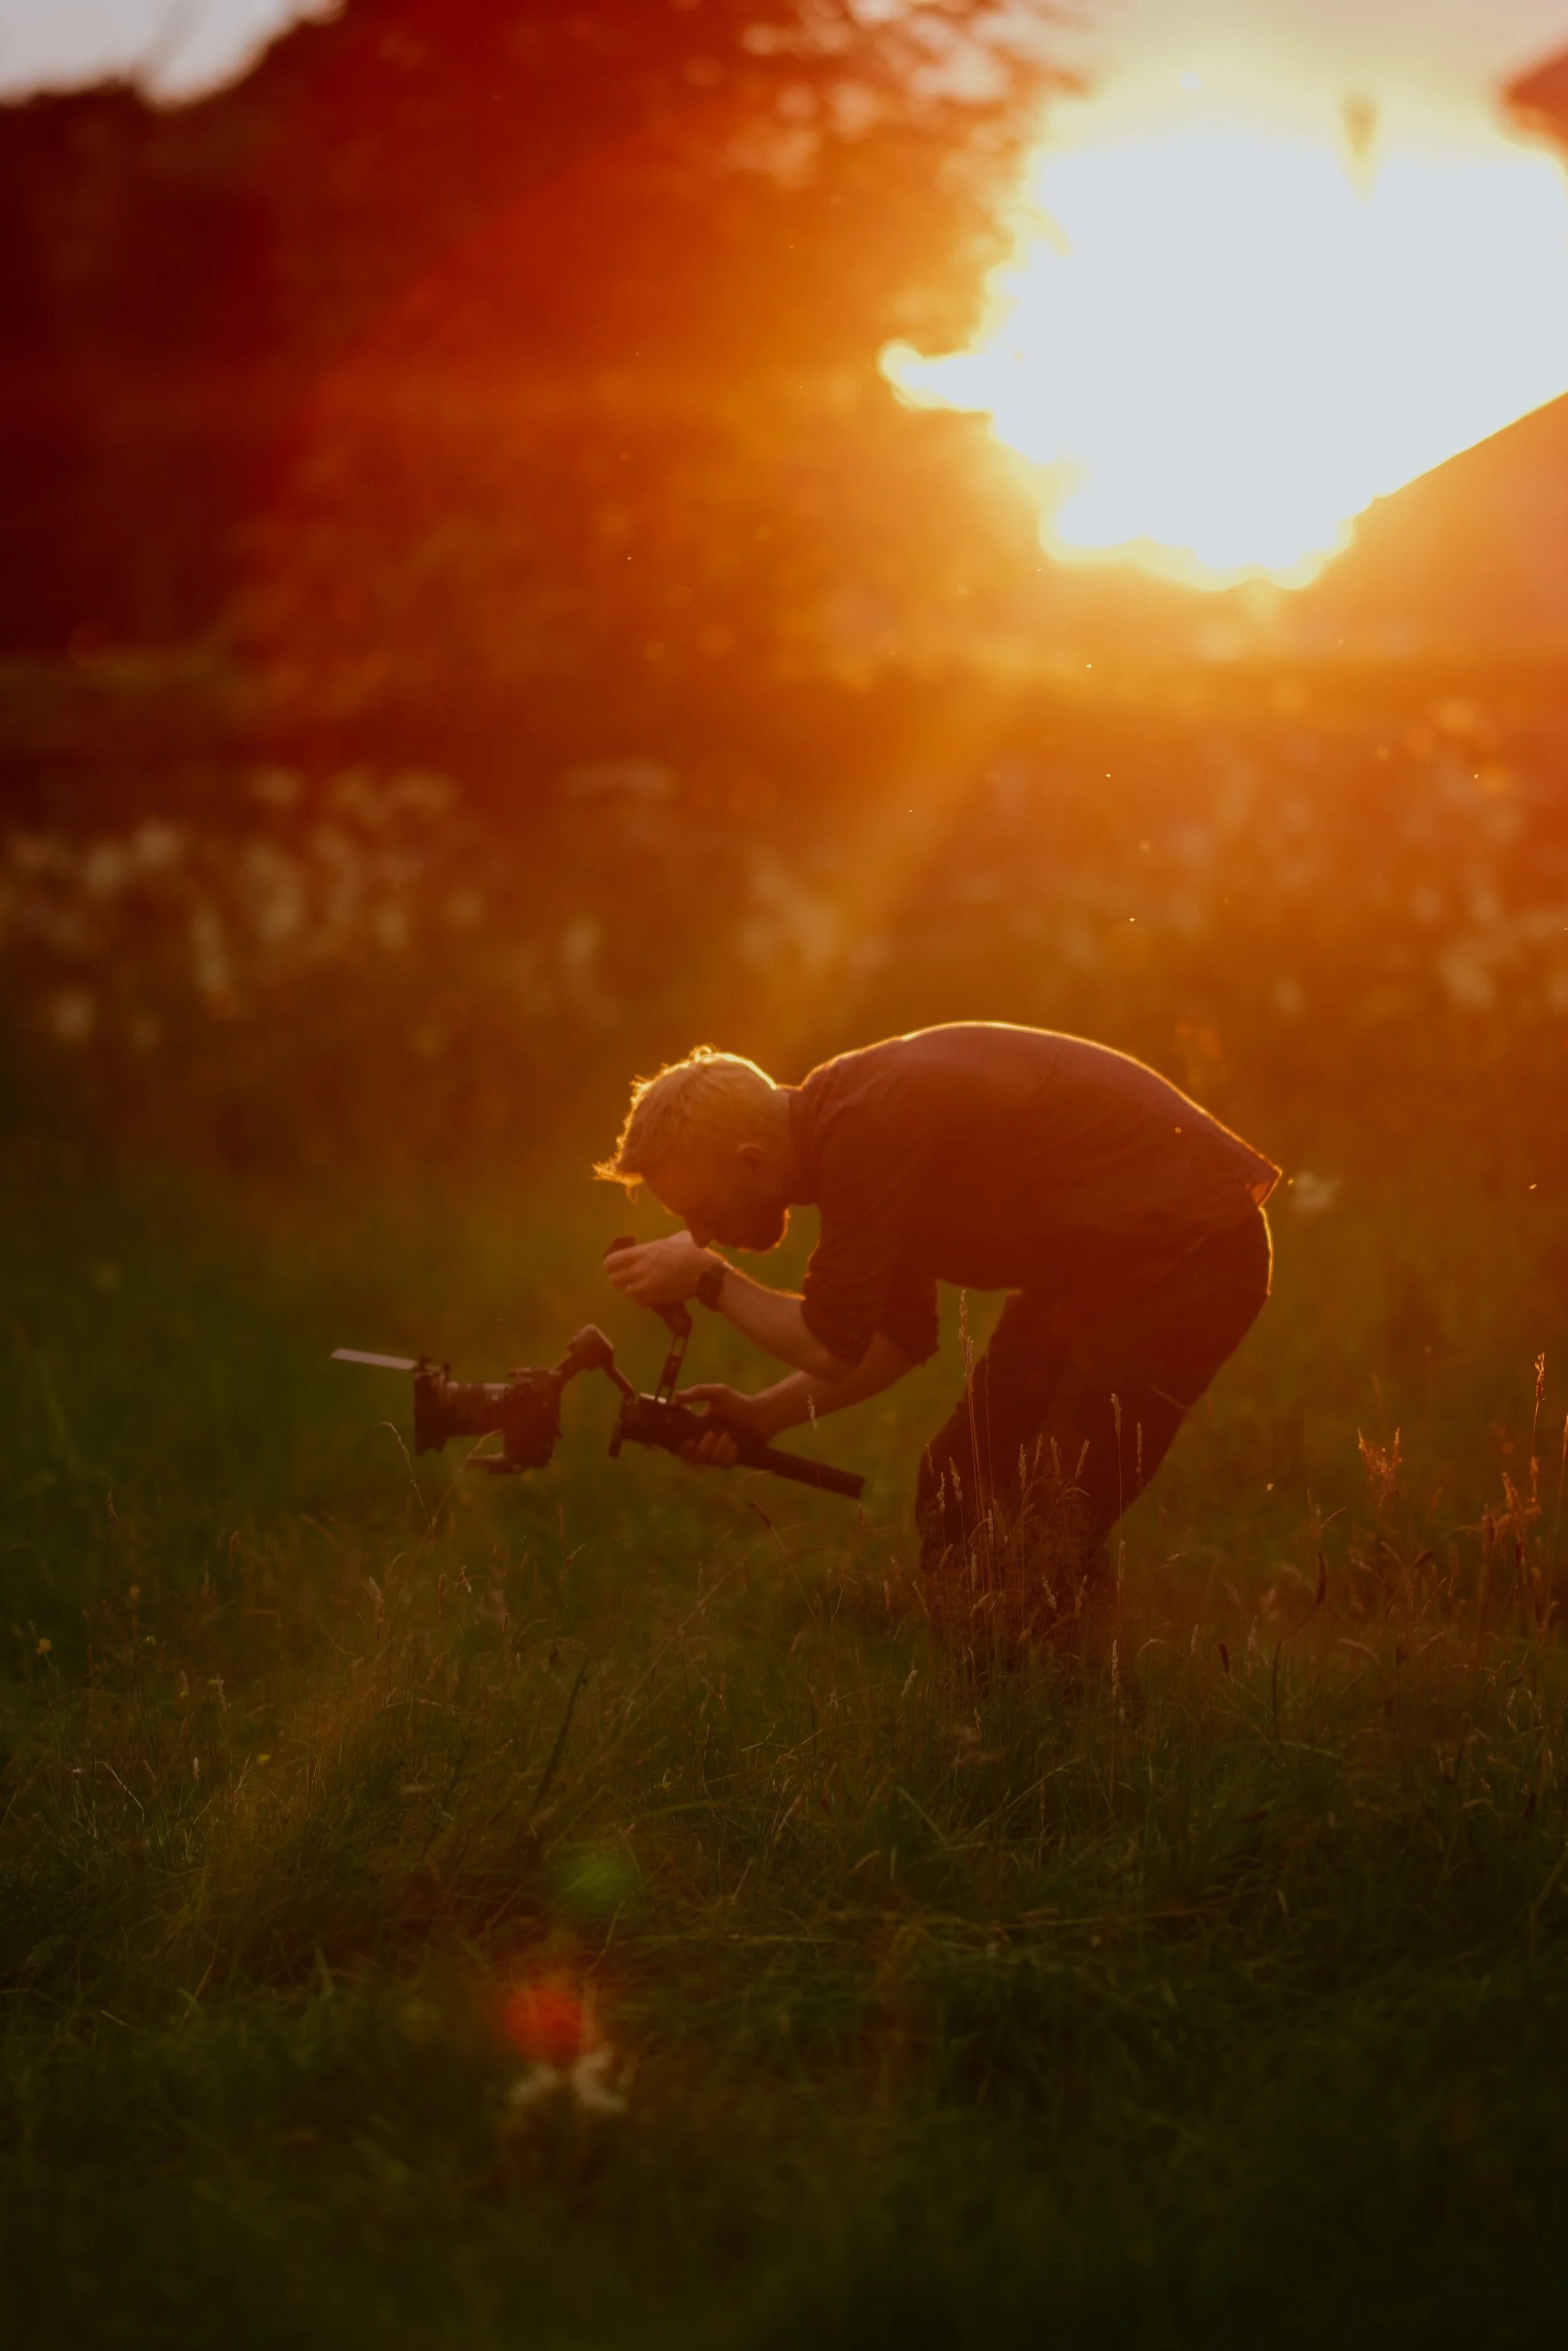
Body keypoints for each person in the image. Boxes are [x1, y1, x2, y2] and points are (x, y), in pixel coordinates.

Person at [598, 1024, 1278, 1640]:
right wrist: (762, 1416)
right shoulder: (847, 1131)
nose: (703, 1233)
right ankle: (997, 1711)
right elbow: (893, 1340)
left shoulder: (864, 1124)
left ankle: (1071, 1733)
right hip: (1097, 1280)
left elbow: (828, 1341)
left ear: (751, 1161)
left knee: (1050, 1515)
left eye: (703, 1213)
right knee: (961, 1485)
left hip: (1192, 1254)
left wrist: (706, 1278)